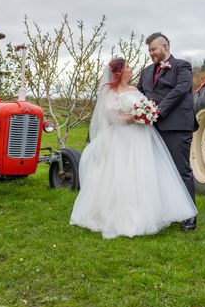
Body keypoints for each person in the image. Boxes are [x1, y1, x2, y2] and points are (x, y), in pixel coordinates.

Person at [70, 57, 197, 239]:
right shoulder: (110, 93)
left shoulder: (134, 90)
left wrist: (147, 114)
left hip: (141, 137)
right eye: (128, 66)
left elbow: (147, 106)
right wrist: (136, 117)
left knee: (143, 173)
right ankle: (120, 216)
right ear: (120, 72)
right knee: (122, 174)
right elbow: (112, 118)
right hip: (121, 138)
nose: (131, 69)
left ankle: (147, 213)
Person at [137, 32, 198, 231]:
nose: (151, 53)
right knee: (159, 171)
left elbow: (180, 91)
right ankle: (169, 212)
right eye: (149, 50)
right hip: (152, 129)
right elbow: (140, 94)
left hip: (177, 126)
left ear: (165, 47)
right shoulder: (146, 72)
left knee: (181, 170)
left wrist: (157, 111)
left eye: (153, 49)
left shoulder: (182, 66)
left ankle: (189, 216)